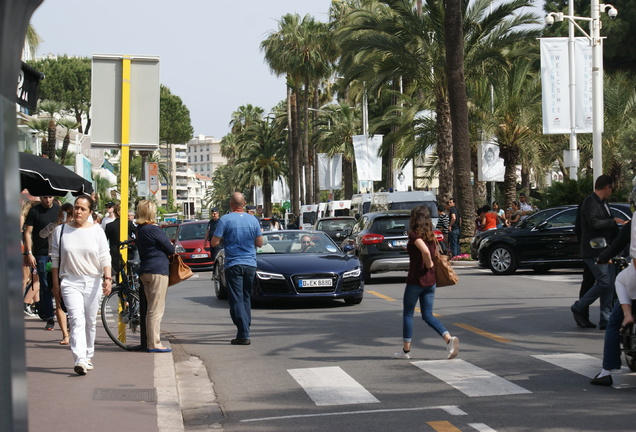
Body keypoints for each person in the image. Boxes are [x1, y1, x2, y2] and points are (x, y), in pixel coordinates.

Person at [50, 195, 112, 375]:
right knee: (76, 320)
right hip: (70, 281)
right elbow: (55, 258)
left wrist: (107, 278)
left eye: (83, 209)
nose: (78, 211)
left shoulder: (97, 231)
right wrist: (56, 283)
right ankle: (80, 360)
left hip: (93, 280)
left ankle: (88, 354)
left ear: (90, 212)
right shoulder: (61, 231)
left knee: (90, 322)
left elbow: (104, 256)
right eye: (76, 207)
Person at [393, 205, 459, 360]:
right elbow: (430, 251)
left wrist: (427, 263)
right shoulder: (432, 235)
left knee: (408, 313)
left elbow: (425, 252)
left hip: (416, 280)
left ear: (415, 219)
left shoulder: (414, 235)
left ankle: (406, 351)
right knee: (428, 315)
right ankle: (449, 339)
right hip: (431, 281)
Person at [591, 186, 636, 385]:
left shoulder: (633, 223)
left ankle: (606, 371)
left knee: (613, 323)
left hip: (633, 277)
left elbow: (616, 246)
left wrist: (602, 258)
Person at [571, 175, 625, 330]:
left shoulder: (603, 203)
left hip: (606, 249)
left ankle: (605, 318)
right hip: (594, 250)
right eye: (611, 188)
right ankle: (579, 306)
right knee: (604, 281)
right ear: (607, 187)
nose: (612, 191)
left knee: (609, 284)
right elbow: (593, 223)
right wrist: (613, 221)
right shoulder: (590, 202)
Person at [210, 192, 262, 345]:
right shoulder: (253, 219)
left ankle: (243, 332)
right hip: (250, 263)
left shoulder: (225, 220)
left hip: (233, 263)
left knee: (236, 299)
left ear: (231, 204)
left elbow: (214, 242)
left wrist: (226, 238)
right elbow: (259, 243)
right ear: (244, 203)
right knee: (246, 297)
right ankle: (245, 326)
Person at [135, 200, 176, 353]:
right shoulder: (153, 229)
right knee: (156, 309)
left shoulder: (140, 229)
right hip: (158, 270)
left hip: (145, 270)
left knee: (150, 309)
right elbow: (170, 248)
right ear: (151, 212)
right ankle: (154, 343)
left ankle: (149, 340)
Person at [24, 195, 61, 331]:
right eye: (45, 197)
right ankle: (49, 317)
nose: (48, 200)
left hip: (57, 253)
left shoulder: (58, 210)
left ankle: (65, 315)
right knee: (44, 285)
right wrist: (29, 252)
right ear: (41, 197)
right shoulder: (35, 211)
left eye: (50, 197)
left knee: (60, 284)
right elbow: (28, 232)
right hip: (41, 254)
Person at [41, 203, 74, 345]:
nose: (66, 216)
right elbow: (41, 234)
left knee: (72, 304)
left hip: (70, 266)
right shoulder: (55, 227)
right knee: (58, 301)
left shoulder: (75, 230)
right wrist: (56, 223)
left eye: (69, 214)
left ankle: (72, 329)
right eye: (64, 213)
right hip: (55, 264)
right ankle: (65, 335)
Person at [104, 204, 137, 283]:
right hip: (128, 252)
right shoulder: (129, 224)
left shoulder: (109, 226)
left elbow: (104, 241)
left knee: (119, 275)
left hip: (115, 253)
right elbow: (137, 234)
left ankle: (120, 286)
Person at [21, 199, 40, 317]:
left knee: (34, 278)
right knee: (30, 279)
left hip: (29, 251)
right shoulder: (26, 221)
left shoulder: (27, 220)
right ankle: (24, 303)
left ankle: (37, 304)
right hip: (27, 251)